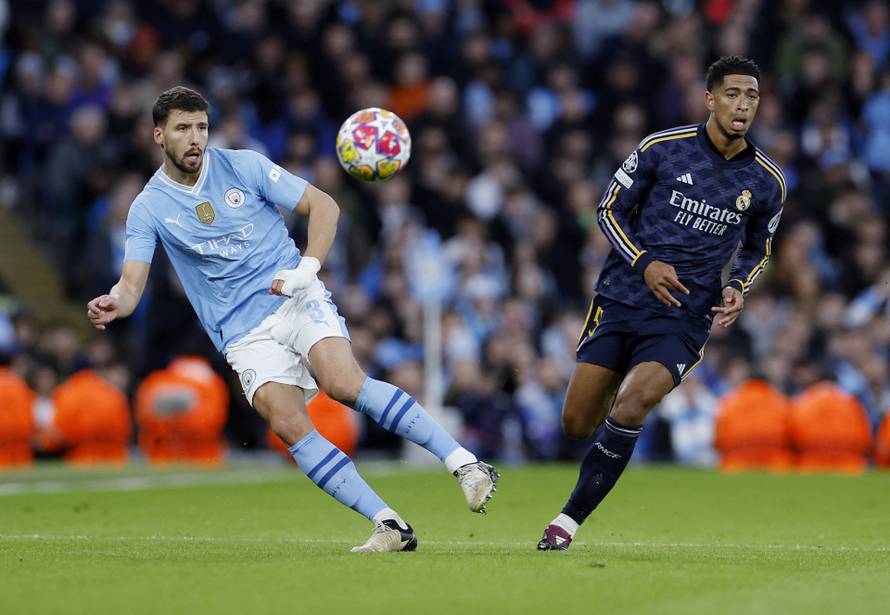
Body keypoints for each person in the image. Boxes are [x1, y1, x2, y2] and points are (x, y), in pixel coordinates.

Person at [86, 86, 498, 553]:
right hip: (241, 332)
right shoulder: (149, 207)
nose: (196, 137)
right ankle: (389, 524)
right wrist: (115, 302)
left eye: (201, 126)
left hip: (293, 295)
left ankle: (466, 464)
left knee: (343, 383)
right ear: (159, 135)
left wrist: (307, 267)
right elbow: (131, 286)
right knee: (286, 423)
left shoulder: (244, 165)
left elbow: (324, 205)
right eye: (183, 128)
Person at [537, 56, 785, 550]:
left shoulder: (766, 181)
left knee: (632, 404)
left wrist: (738, 285)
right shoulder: (662, 149)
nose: (742, 105)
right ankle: (614, 409)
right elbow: (608, 210)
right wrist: (645, 262)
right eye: (733, 94)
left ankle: (566, 523)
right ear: (710, 99)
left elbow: (758, 249)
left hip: (685, 316)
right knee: (577, 423)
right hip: (621, 298)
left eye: (752, 96)